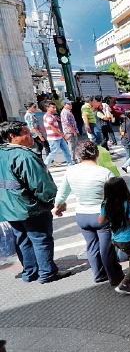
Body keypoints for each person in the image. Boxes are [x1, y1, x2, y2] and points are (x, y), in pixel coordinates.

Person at [0, 121, 68, 283]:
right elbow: (40, 184)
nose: (31, 134)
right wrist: (56, 202)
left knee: (23, 239)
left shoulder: (3, 152)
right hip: (29, 206)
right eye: (25, 132)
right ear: (13, 136)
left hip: (9, 207)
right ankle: (47, 273)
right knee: (40, 239)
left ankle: (30, 272)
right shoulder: (24, 155)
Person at [54, 140, 124, 285]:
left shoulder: (71, 171)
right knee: (107, 249)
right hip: (101, 215)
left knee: (91, 246)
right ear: (97, 153)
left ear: (78, 154)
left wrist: (57, 207)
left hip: (81, 215)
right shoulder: (105, 173)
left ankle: (98, 275)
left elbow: (62, 194)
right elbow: (116, 197)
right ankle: (115, 277)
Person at [99, 177, 130, 295]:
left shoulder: (106, 204)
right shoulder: (128, 204)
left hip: (116, 238)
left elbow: (100, 220)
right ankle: (124, 284)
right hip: (129, 238)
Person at [42, 102, 74, 167]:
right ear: (47, 108)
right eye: (53, 107)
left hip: (58, 137)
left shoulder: (51, 115)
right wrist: (64, 135)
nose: (55, 109)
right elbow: (52, 128)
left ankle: (70, 163)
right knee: (54, 152)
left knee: (66, 150)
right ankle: (45, 165)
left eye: (55, 107)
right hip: (53, 138)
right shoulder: (48, 116)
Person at [60, 99, 79, 163]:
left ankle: (75, 159)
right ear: (64, 105)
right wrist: (73, 131)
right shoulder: (65, 112)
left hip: (72, 131)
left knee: (75, 146)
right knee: (72, 147)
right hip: (69, 132)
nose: (71, 105)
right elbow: (67, 124)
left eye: (70, 104)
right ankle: (72, 160)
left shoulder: (68, 111)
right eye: (68, 104)